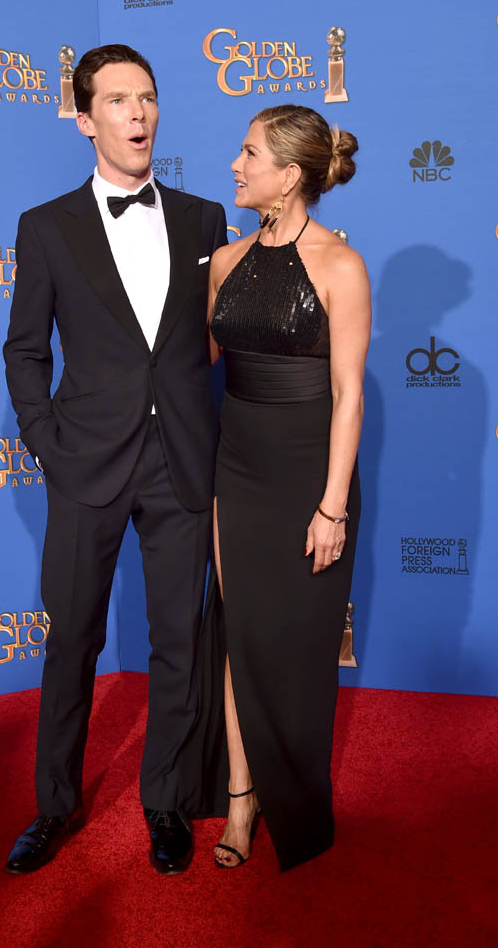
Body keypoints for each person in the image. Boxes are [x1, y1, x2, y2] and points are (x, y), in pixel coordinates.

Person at [2, 43, 227, 875]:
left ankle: (164, 800)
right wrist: (45, 440)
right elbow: (25, 349)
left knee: (177, 643)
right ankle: (53, 805)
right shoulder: (44, 226)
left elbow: (207, 340)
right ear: (85, 119)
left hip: (180, 462)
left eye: (148, 97)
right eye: (118, 100)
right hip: (85, 464)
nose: (138, 113)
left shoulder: (204, 218)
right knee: (71, 642)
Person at [186, 104, 370, 871]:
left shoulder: (339, 265)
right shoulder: (225, 261)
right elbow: (194, 359)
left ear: (288, 175)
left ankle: (291, 793)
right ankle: (240, 798)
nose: (235, 165)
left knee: (293, 648)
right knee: (240, 633)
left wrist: (331, 507)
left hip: (308, 473)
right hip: (237, 466)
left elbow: (348, 395)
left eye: (249, 153)